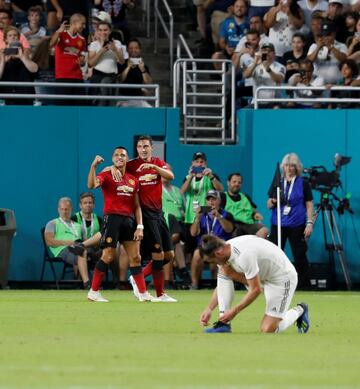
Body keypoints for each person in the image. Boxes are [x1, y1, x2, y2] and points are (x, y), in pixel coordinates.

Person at [199, 234, 310, 334]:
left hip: (282, 278)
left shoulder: (244, 255)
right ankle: (223, 324)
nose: (212, 265)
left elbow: (256, 290)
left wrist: (234, 311)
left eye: (211, 261)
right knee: (224, 272)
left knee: (268, 330)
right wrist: (209, 309)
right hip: (261, 275)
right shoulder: (223, 254)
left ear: (218, 253)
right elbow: (222, 285)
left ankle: (300, 310)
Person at [87, 147, 153, 303]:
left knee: (135, 257)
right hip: (112, 219)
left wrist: (140, 226)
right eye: (116, 155)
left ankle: (142, 293)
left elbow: (137, 206)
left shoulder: (133, 180)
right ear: (112, 159)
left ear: (127, 158)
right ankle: (93, 292)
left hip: (129, 221)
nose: (119, 157)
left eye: (122, 155)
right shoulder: (106, 174)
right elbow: (91, 185)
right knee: (108, 256)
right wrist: (93, 166)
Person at [125, 135, 177, 302]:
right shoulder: (132, 165)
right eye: (140, 146)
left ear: (151, 147)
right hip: (145, 214)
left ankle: (136, 277)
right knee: (158, 255)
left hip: (159, 214)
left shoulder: (157, 162)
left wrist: (155, 168)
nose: (143, 149)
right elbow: (117, 171)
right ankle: (160, 294)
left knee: (169, 255)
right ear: (137, 149)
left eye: (146, 146)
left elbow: (170, 176)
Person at [267, 153, 314, 288]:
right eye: (287, 165)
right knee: (274, 254)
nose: (289, 168)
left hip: (297, 224)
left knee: (299, 254)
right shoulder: (278, 182)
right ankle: (274, 282)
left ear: (297, 167)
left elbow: (309, 204)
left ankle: (304, 284)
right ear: (283, 167)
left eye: (292, 166)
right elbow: (269, 204)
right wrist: (274, 200)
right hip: (278, 223)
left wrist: (309, 223)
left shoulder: (303, 183)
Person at [190, 189, 234, 289]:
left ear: (219, 201)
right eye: (209, 199)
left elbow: (229, 230)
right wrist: (197, 218)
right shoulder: (201, 215)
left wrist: (219, 217)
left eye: (214, 199)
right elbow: (193, 233)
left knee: (218, 254)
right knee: (197, 254)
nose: (211, 202)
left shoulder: (226, 215)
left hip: (220, 246)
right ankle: (194, 284)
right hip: (204, 246)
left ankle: (217, 285)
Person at [44, 197, 90, 289]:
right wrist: (67, 243)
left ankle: (86, 282)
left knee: (91, 251)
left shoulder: (79, 226)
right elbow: (49, 242)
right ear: (58, 210)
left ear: (71, 210)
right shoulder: (52, 223)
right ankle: (86, 283)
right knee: (81, 252)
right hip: (61, 249)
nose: (64, 212)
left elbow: (86, 241)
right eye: (62, 209)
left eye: (67, 209)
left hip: (78, 247)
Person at [49, 14, 87, 105]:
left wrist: (82, 62)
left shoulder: (82, 39)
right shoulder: (61, 34)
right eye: (82, 24)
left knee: (80, 108)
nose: (84, 26)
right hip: (62, 77)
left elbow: (82, 58)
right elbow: (51, 44)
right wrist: (58, 31)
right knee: (63, 109)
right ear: (74, 22)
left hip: (78, 78)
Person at [88, 21, 127, 106]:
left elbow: (122, 61)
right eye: (100, 30)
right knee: (99, 105)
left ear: (110, 31)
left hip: (113, 78)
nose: (103, 32)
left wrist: (115, 49)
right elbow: (90, 63)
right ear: (97, 31)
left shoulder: (117, 43)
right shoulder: (94, 44)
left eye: (105, 30)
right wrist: (101, 51)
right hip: (98, 77)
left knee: (112, 105)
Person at [221, 172, 268, 238]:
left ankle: (254, 247)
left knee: (264, 230)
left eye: (239, 182)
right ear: (228, 183)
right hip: (234, 225)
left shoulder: (245, 196)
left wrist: (256, 214)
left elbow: (253, 209)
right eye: (234, 182)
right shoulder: (223, 196)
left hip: (249, 225)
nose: (237, 184)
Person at [0, 26, 38, 105]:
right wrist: (3, 61)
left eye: (15, 35)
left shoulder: (25, 55)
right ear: (5, 40)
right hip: (7, 99)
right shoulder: (2, 56)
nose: (13, 37)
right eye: (10, 36)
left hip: (26, 99)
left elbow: (35, 70)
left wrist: (22, 57)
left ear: (19, 38)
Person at [244, 42, 286, 107]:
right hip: (257, 101)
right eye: (264, 50)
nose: (267, 53)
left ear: (274, 54)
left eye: (269, 51)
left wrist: (268, 69)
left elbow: (278, 79)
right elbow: (246, 75)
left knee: (277, 110)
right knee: (244, 114)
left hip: (274, 102)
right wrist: (255, 63)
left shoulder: (280, 66)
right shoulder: (255, 64)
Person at [211, 0, 249, 71]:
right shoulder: (226, 22)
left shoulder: (250, 23)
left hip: (243, 53)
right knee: (216, 56)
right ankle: (225, 79)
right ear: (233, 8)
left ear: (246, 9)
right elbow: (221, 41)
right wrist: (226, 47)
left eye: (242, 7)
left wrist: (240, 51)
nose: (239, 9)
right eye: (237, 6)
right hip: (228, 52)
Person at [117, 38, 153, 107]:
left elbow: (149, 83)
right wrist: (128, 67)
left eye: (136, 48)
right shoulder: (123, 63)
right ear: (127, 50)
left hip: (139, 99)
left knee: (151, 111)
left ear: (140, 50)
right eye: (131, 48)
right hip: (124, 99)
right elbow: (120, 80)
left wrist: (143, 70)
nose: (133, 50)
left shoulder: (143, 66)